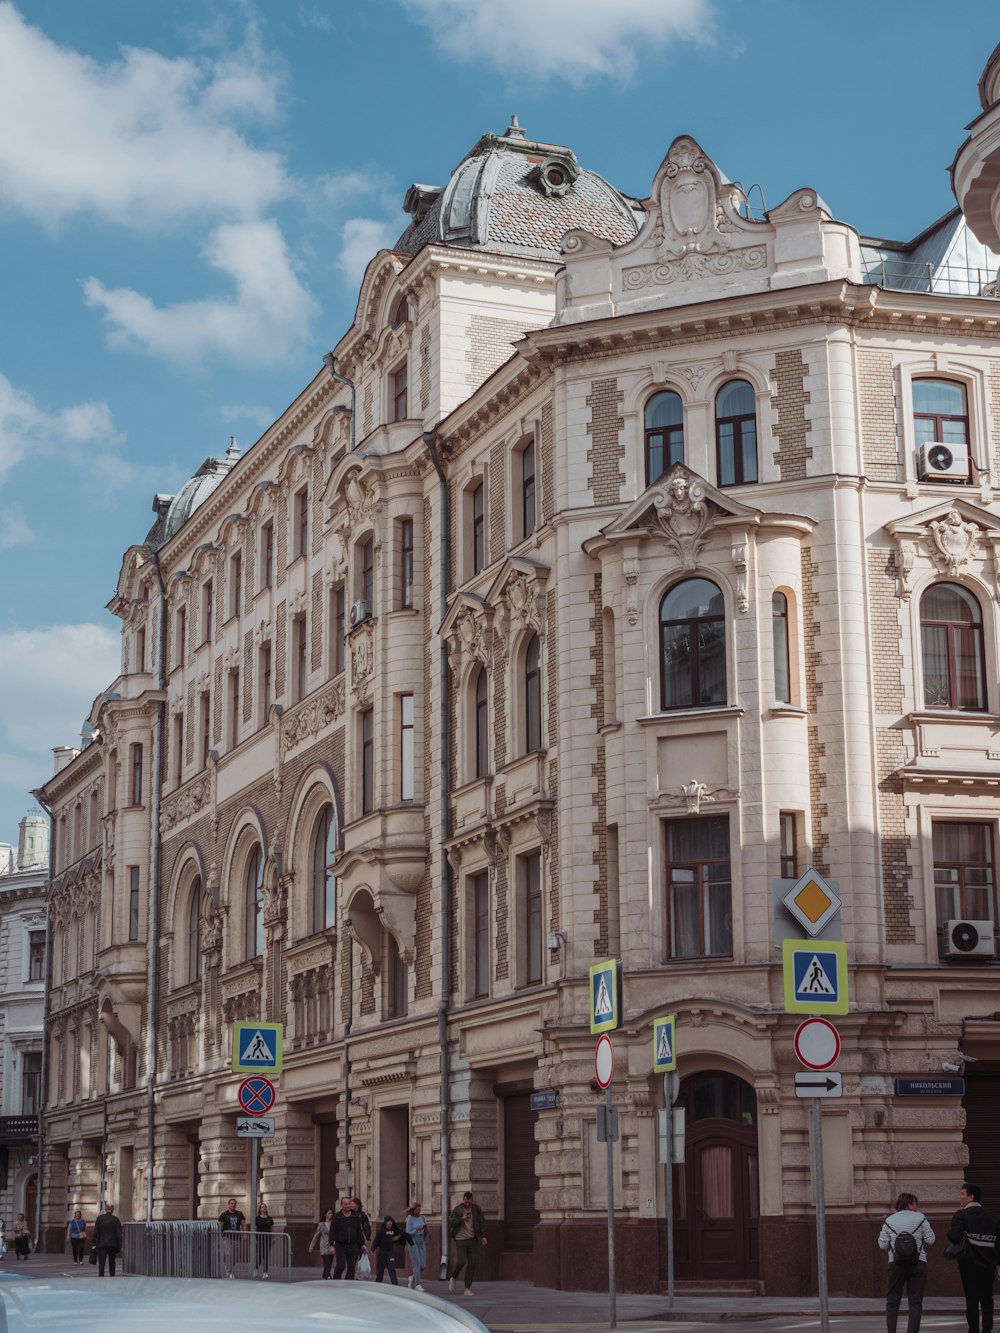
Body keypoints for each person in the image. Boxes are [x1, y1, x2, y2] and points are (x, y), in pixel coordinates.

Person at [877, 1190, 935, 1333]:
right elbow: (931, 1240)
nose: (917, 1207)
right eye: (915, 1204)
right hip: (918, 1263)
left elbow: (882, 1245)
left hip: (895, 1265)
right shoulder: (920, 1218)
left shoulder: (889, 1220)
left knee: (892, 1301)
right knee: (915, 1303)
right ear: (909, 1204)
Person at [948, 1181, 1000, 1333]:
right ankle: (987, 1329)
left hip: (968, 1264)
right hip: (988, 1264)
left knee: (971, 1298)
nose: (960, 1197)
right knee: (987, 1298)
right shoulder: (994, 1217)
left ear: (971, 1197)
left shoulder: (961, 1215)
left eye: (962, 1194)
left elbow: (953, 1236)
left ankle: (974, 1329)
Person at [447, 1190, 487, 1297]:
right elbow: (451, 1221)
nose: (467, 1204)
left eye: (469, 1202)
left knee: (472, 1263)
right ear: (463, 1200)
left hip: (472, 1240)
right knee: (461, 1261)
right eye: (466, 1202)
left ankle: (467, 1288)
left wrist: (483, 1236)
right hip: (460, 1240)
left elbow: (482, 1222)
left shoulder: (476, 1209)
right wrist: (462, 1219)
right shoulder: (458, 1209)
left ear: (472, 1200)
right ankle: (453, 1278)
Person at [331, 1196, 366, 1280]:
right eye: (346, 1204)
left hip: (353, 1245)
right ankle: (335, 1280)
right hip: (341, 1245)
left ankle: (348, 1284)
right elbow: (332, 1231)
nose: (348, 1205)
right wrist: (331, 1244)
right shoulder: (337, 1217)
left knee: (351, 1267)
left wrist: (362, 1244)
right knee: (341, 1265)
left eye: (349, 1203)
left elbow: (359, 1231)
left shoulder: (356, 1216)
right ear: (342, 1205)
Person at [372, 1214, 411, 1285]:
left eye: (391, 1221)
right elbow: (376, 1240)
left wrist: (403, 1238)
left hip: (390, 1252)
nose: (390, 1223)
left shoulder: (394, 1230)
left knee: (392, 1268)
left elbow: (400, 1234)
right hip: (382, 1252)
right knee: (380, 1269)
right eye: (388, 1222)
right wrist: (373, 1248)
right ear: (385, 1222)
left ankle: (395, 1284)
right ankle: (377, 1283)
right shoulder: (381, 1230)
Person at [92, 1203, 122, 1277]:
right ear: (112, 1210)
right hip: (112, 1244)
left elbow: (95, 1231)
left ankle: (101, 1276)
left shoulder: (100, 1218)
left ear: (106, 1209)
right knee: (112, 1262)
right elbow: (119, 1234)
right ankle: (112, 1276)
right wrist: (121, 1245)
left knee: (101, 1263)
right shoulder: (116, 1220)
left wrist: (93, 1243)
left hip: (101, 1244)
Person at [219, 1197, 246, 1278]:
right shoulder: (224, 1214)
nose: (233, 1205)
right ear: (228, 1205)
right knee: (229, 1254)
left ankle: (228, 1267)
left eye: (235, 1204)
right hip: (227, 1237)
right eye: (232, 1203)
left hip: (237, 1237)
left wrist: (245, 1234)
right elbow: (220, 1225)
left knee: (236, 1256)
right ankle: (229, 1272)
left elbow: (243, 1225)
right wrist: (220, 1236)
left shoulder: (239, 1214)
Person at [405, 1200, 429, 1292]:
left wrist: (425, 1231)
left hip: (421, 1241)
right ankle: (418, 1285)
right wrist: (417, 1230)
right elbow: (408, 1233)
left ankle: (413, 1277)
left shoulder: (423, 1218)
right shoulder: (410, 1219)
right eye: (416, 1211)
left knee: (423, 1265)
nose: (418, 1212)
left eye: (419, 1210)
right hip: (413, 1241)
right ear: (413, 1211)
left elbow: (426, 1229)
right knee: (417, 1264)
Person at [308, 1207, 335, 1279]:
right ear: (325, 1215)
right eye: (329, 1213)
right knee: (327, 1262)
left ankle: (325, 1274)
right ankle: (328, 1276)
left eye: (331, 1213)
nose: (331, 1215)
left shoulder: (334, 1224)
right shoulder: (321, 1225)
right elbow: (316, 1236)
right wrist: (311, 1247)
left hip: (331, 1246)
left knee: (330, 1262)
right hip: (324, 1246)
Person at [254, 1202, 275, 1279]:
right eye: (262, 1207)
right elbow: (255, 1228)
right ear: (260, 1209)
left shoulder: (270, 1218)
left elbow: (272, 1228)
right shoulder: (257, 1218)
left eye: (265, 1207)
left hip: (268, 1239)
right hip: (260, 1239)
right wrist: (255, 1238)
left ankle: (265, 1272)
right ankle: (256, 1268)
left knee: (266, 1255)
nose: (264, 1208)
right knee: (260, 1255)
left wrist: (273, 1238)